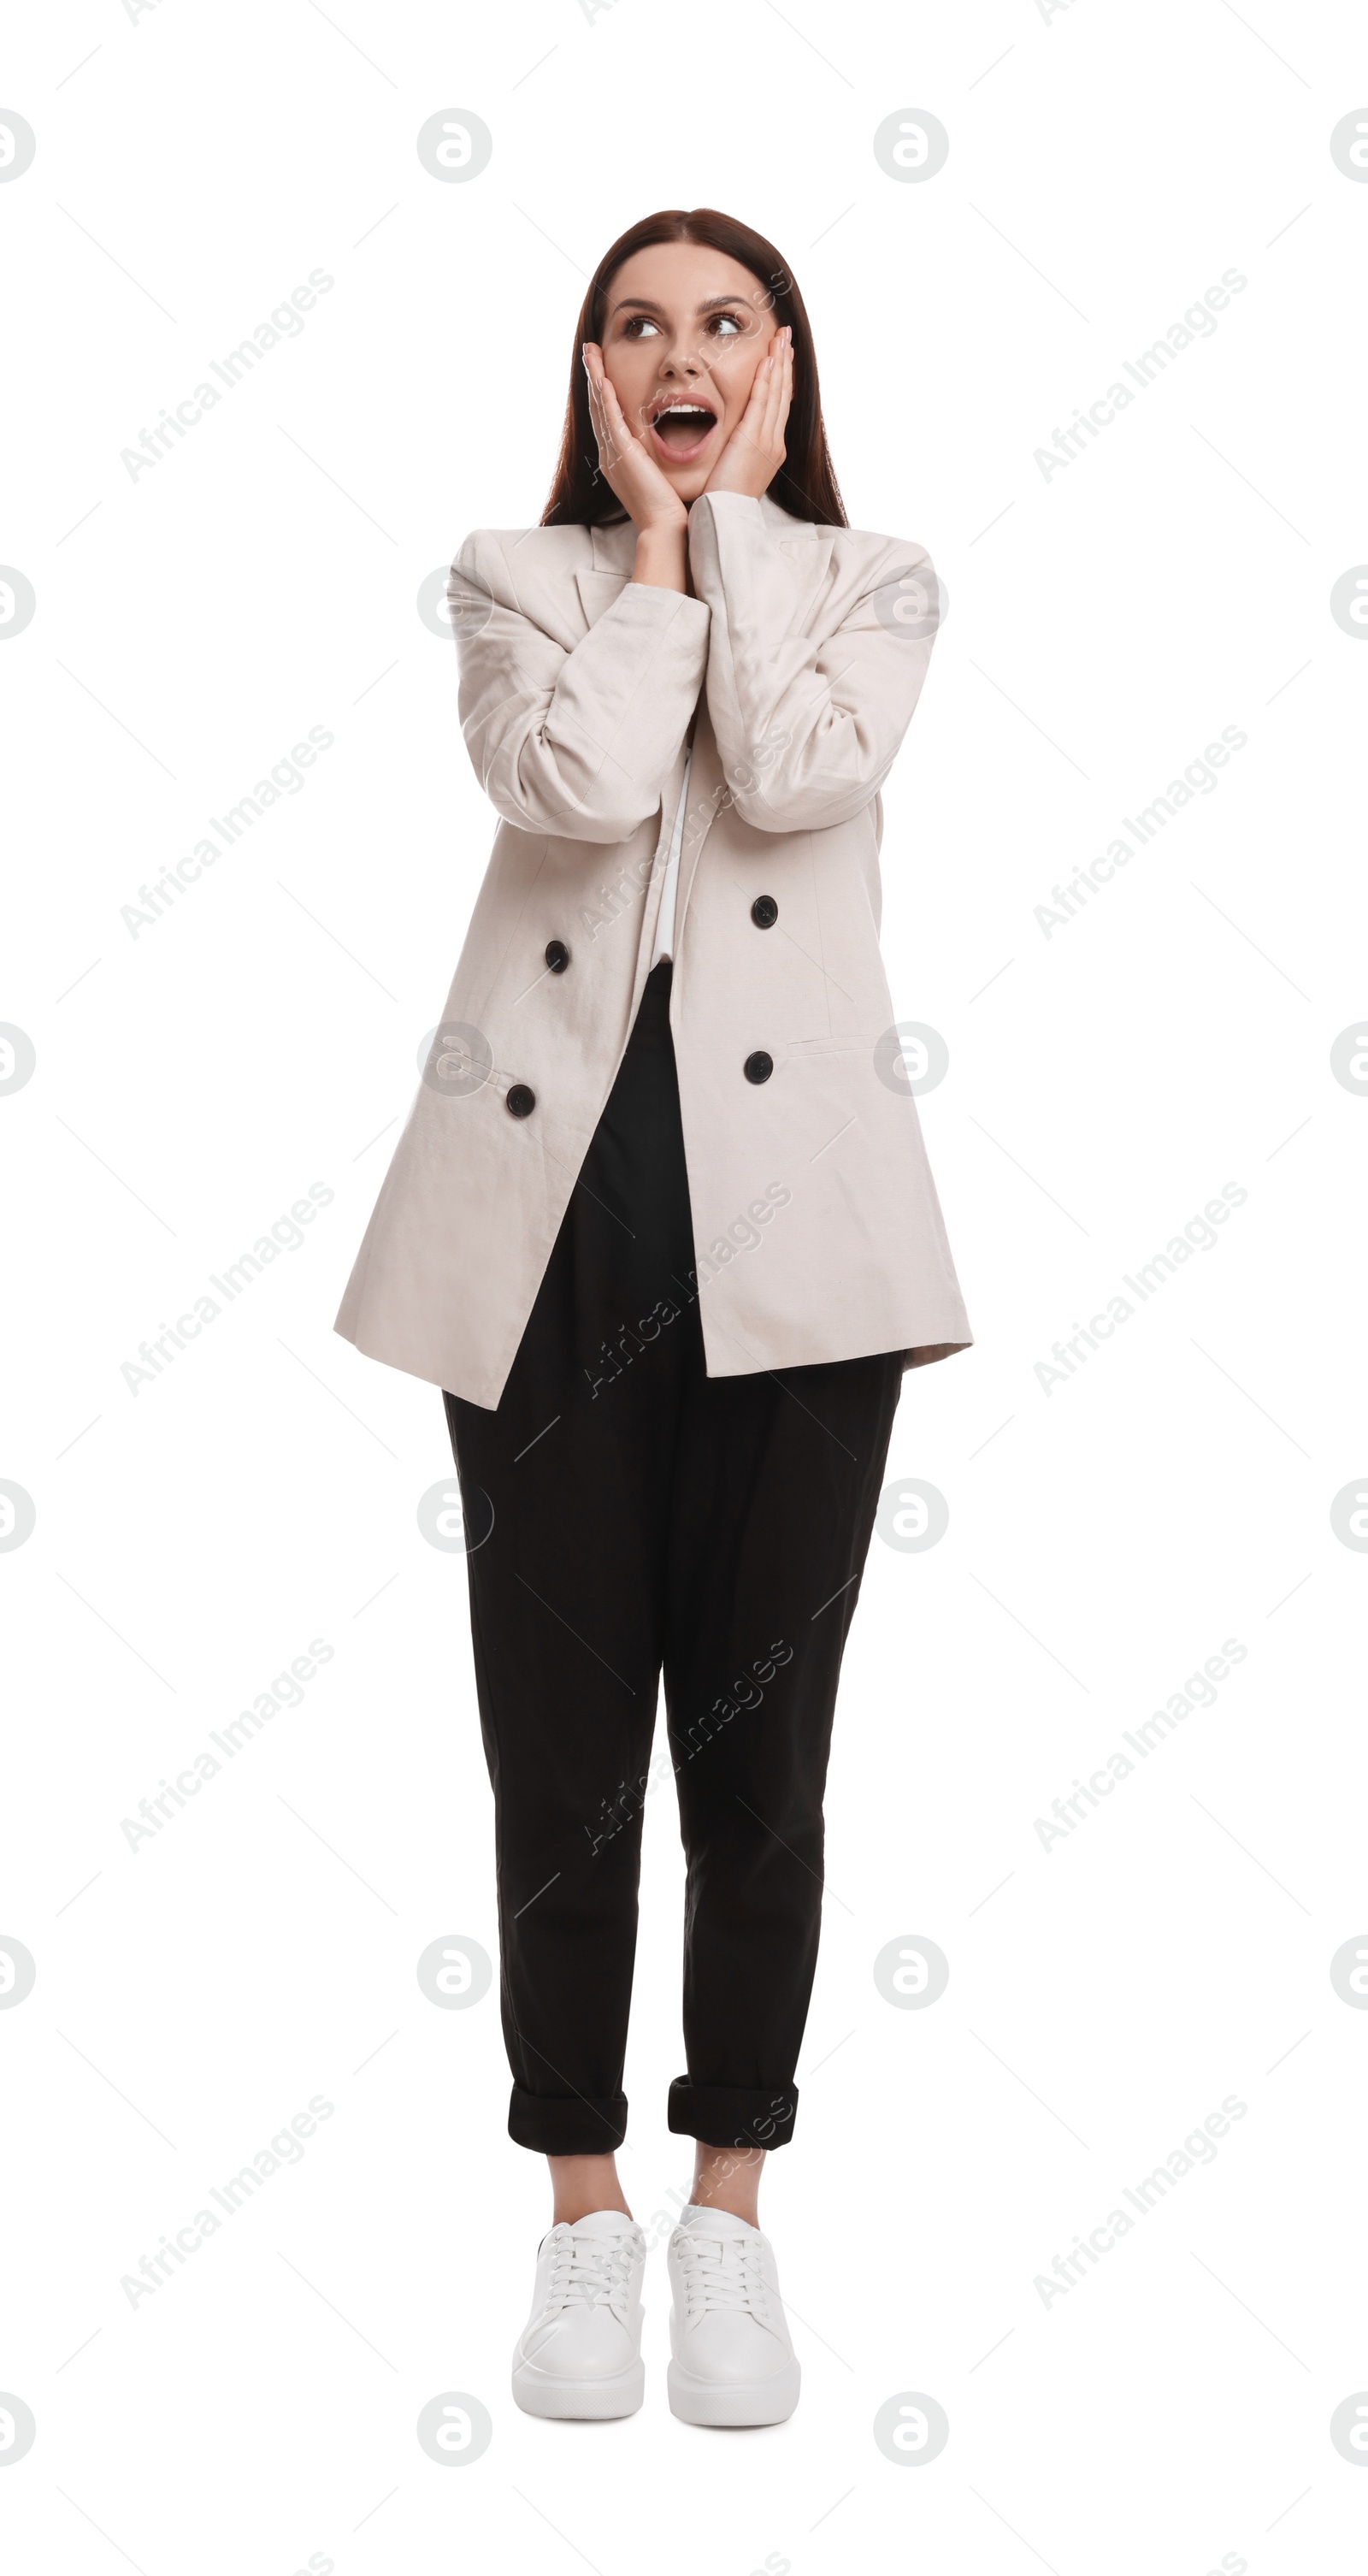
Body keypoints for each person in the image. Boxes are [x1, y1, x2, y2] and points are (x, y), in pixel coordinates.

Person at [334, 206, 971, 2426]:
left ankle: (733, 2206)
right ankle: (580, 2211)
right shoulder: (522, 580)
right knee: (565, 1743)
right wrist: (661, 563)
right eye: (638, 325)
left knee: (764, 1755)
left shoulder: (878, 577)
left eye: (719, 322)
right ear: (592, 363)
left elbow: (799, 773)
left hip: (802, 1237)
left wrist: (753, 543)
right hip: (554, 1223)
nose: (676, 352)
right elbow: (585, 786)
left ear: (782, 356)